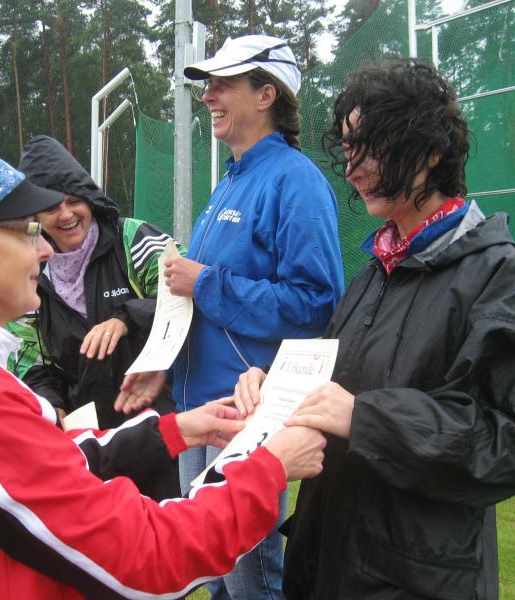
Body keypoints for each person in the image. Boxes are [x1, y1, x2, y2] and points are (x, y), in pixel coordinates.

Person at [0, 146, 328, 599]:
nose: (44, 249)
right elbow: (143, 558)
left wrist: (175, 430)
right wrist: (269, 468)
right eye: (25, 231)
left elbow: (47, 456)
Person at [231, 59, 515, 600]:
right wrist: (272, 383)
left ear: (432, 151)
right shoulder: (376, 270)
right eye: (349, 148)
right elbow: (338, 377)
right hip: (326, 555)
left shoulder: (499, 277)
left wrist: (367, 419)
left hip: (415, 575)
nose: (354, 169)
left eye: (373, 147)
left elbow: (511, 441)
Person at [117, 35, 345, 600]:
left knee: (251, 584)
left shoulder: (295, 180)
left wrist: (206, 281)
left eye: (223, 84)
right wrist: (163, 364)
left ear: (267, 95)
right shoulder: (231, 181)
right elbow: (205, 310)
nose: (207, 96)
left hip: (249, 412)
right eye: (208, 85)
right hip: (200, 410)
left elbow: (316, 304)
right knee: (215, 571)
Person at [10, 134, 185, 431]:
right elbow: (31, 363)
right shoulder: (29, 272)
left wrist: (125, 319)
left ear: (90, 200)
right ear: (36, 216)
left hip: (163, 417)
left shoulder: (134, 238)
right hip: (91, 436)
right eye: (52, 207)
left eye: (74, 201)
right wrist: (52, 406)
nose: (66, 215)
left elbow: (183, 296)